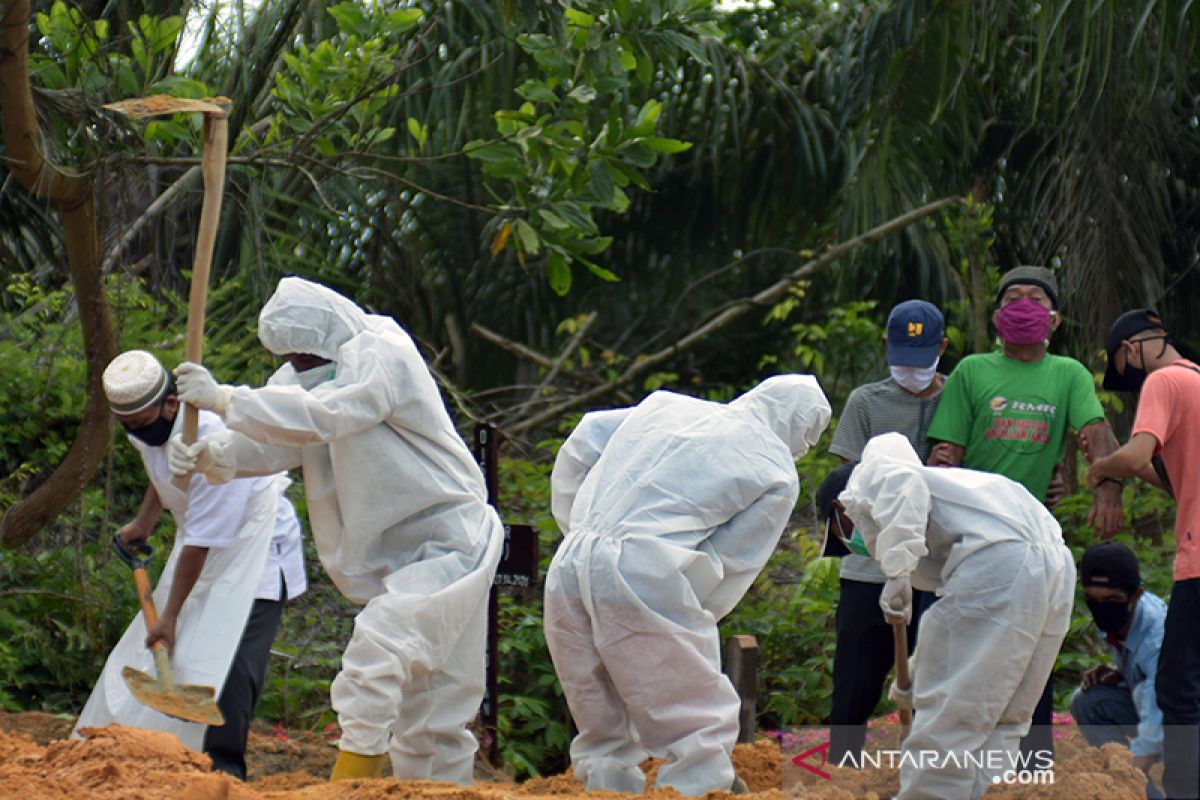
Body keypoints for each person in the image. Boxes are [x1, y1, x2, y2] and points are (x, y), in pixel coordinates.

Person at [165, 277, 503, 784]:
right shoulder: (302, 379)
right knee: (428, 708)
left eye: (304, 354)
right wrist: (216, 454)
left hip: (450, 538)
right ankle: (430, 792)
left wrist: (227, 399)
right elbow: (284, 440)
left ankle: (347, 789)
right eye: (291, 358)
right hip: (402, 555)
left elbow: (329, 413)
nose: (299, 365)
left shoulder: (380, 351)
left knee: (382, 657)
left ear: (328, 332)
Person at [544, 375, 831, 796]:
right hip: (645, 568)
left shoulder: (667, 405)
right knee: (695, 709)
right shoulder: (777, 468)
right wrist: (685, 611)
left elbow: (587, 435)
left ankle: (605, 786)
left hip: (571, 561)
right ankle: (699, 786)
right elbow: (732, 559)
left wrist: (577, 525)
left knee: (598, 703)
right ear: (801, 431)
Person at [74, 349, 307, 780]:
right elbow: (160, 469)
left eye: (144, 425)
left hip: (252, 547)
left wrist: (170, 615)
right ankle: (169, 759)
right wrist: (145, 521)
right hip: (200, 541)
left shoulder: (213, 442)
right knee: (176, 654)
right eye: (130, 428)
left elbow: (200, 542)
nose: (139, 435)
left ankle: (224, 773)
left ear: (171, 404)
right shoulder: (146, 425)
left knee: (233, 660)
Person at [925, 265, 1123, 758]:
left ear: (1054, 320)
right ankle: (955, 755)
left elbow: (1095, 432)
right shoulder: (973, 371)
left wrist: (1109, 485)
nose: (1024, 306)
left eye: (1036, 298)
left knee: (1032, 646)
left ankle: (1033, 763)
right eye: (1014, 298)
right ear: (996, 316)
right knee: (960, 646)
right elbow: (946, 451)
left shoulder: (1068, 374)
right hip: (971, 534)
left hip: (1033, 538)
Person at [818, 433, 1075, 800]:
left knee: (949, 717)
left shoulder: (870, 478)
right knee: (1004, 714)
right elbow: (964, 635)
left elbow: (899, 485)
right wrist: (918, 674)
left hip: (1003, 561)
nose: (852, 544)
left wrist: (897, 569)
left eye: (842, 535)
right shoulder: (955, 491)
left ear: (840, 508)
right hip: (1053, 563)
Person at [826, 299, 946, 761]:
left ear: (942, 347)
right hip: (868, 568)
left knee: (932, 679)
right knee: (855, 682)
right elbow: (849, 485)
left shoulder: (959, 397)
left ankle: (927, 774)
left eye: (920, 359)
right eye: (900, 358)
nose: (909, 371)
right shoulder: (866, 401)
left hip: (936, 570)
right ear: (885, 347)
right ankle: (843, 768)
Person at [1088, 308, 1200, 799]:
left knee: (1177, 686)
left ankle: (1183, 791)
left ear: (1131, 349)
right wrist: (1127, 463)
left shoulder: (1163, 381)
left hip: (1198, 559)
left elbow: (1134, 456)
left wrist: (1102, 466)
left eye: (1125, 368)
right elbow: (1178, 484)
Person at [1070, 541, 1165, 799]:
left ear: (1136, 596)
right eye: (1093, 600)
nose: (1101, 608)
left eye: (1111, 600)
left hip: (1184, 720)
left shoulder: (1156, 638)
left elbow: (1157, 712)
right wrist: (1120, 674)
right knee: (1088, 701)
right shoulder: (1118, 617)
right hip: (1157, 704)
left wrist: (1126, 781)